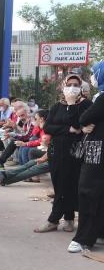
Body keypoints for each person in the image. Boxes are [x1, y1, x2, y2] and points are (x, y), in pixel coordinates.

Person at [34, 74, 92, 233]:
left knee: (66, 186)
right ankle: (69, 218)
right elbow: (47, 127)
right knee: (60, 185)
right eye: (69, 84)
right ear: (63, 86)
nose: (72, 88)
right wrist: (68, 129)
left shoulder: (85, 104)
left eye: (76, 85)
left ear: (81, 87)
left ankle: (53, 220)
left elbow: (78, 124)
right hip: (55, 152)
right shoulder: (57, 106)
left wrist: (72, 104)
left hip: (73, 153)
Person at [68, 67, 104, 253]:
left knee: (88, 192)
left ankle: (83, 239)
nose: (92, 77)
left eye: (95, 72)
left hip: (97, 152)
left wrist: (74, 106)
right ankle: (98, 232)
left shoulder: (102, 98)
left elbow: (84, 118)